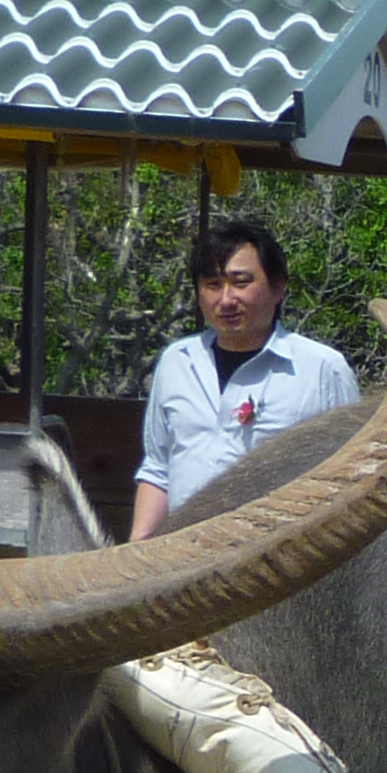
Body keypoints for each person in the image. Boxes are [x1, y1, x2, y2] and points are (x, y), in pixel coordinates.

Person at [132, 214, 360, 538]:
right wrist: (136, 554)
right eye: (212, 284)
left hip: (278, 560)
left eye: (241, 282)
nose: (226, 299)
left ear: (278, 287)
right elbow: (158, 470)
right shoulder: (176, 362)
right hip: (180, 558)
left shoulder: (322, 368)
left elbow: (351, 476)